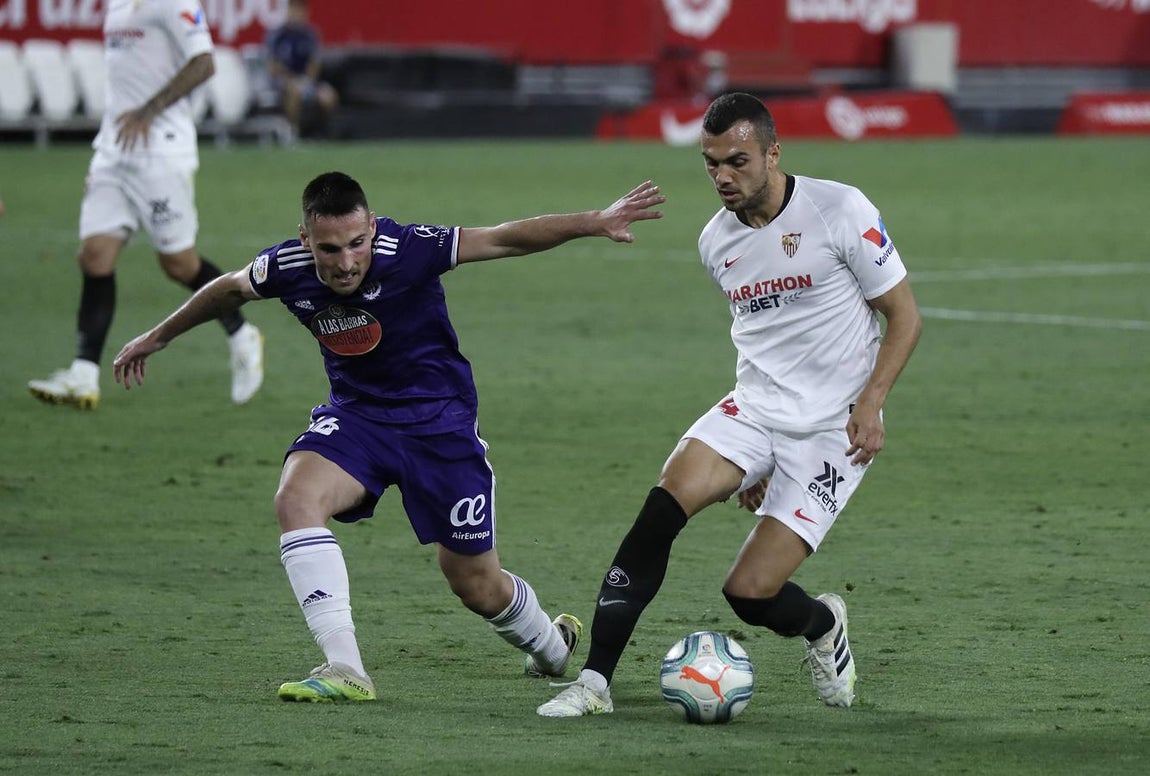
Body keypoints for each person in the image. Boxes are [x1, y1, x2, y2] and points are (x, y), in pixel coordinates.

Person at [112, 171, 666, 702]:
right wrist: (158, 337)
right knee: (295, 499)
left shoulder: (410, 249)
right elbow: (228, 289)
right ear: (307, 238)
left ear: (372, 226)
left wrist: (593, 220)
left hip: (439, 428)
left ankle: (549, 644)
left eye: (357, 243)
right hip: (358, 420)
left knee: (476, 584)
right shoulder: (285, 266)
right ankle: (346, 668)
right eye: (329, 249)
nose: (346, 261)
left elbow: (502, 239)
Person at [538, 92, 923, 717]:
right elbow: (766, 339)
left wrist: (872, 403)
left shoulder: (838, 209)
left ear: (773, 153)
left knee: (749, 594)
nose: (722, 176)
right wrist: (756, 460)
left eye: (738, 160)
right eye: (711, 163)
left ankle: (824, 625)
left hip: (834, 431)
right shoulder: (716, 243)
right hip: (754, 409)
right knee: (660, 510)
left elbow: (904, 316)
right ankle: (594, 683)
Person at [28, 0, 263, 411]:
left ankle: (242, 334)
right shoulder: (117, 7)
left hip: (161, 153)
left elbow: (204, 63)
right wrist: (108, 147)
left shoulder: (175, 4)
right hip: (115, 152)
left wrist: (149, 111)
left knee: (179, 264)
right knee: (95, 256)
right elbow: (124, 84)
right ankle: (83, 374)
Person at [264, 0, 338, 139]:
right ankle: (293, 133)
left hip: (305, 80)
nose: (296, 14)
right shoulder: (278, 35)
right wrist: (291, 80)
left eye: (300, 10)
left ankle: (324, 134)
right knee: (294, 92)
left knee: (328, 96)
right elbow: (273, 67)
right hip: (282, 82)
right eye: (293, 9)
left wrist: (307, 80)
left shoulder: (310, 35)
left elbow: (314, 64)